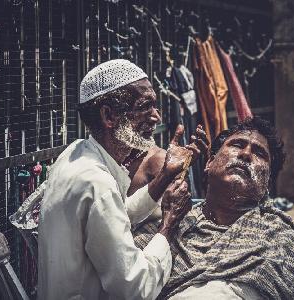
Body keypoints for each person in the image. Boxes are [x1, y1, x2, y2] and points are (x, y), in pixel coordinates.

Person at [37, 59, 202, 300]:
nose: (156, 116)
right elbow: (136, 288)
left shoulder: (77, 153)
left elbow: (116, 213)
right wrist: (168, 225)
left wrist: (165, 175)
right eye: (145, 106)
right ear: (109, 116)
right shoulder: (96, 182)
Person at [134, 116, 294, 299]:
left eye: (259, 154)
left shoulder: (289, 245)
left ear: (267, 183)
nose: (246, 154)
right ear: (209, 163)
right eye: (237, 145)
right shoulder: (162, 230)